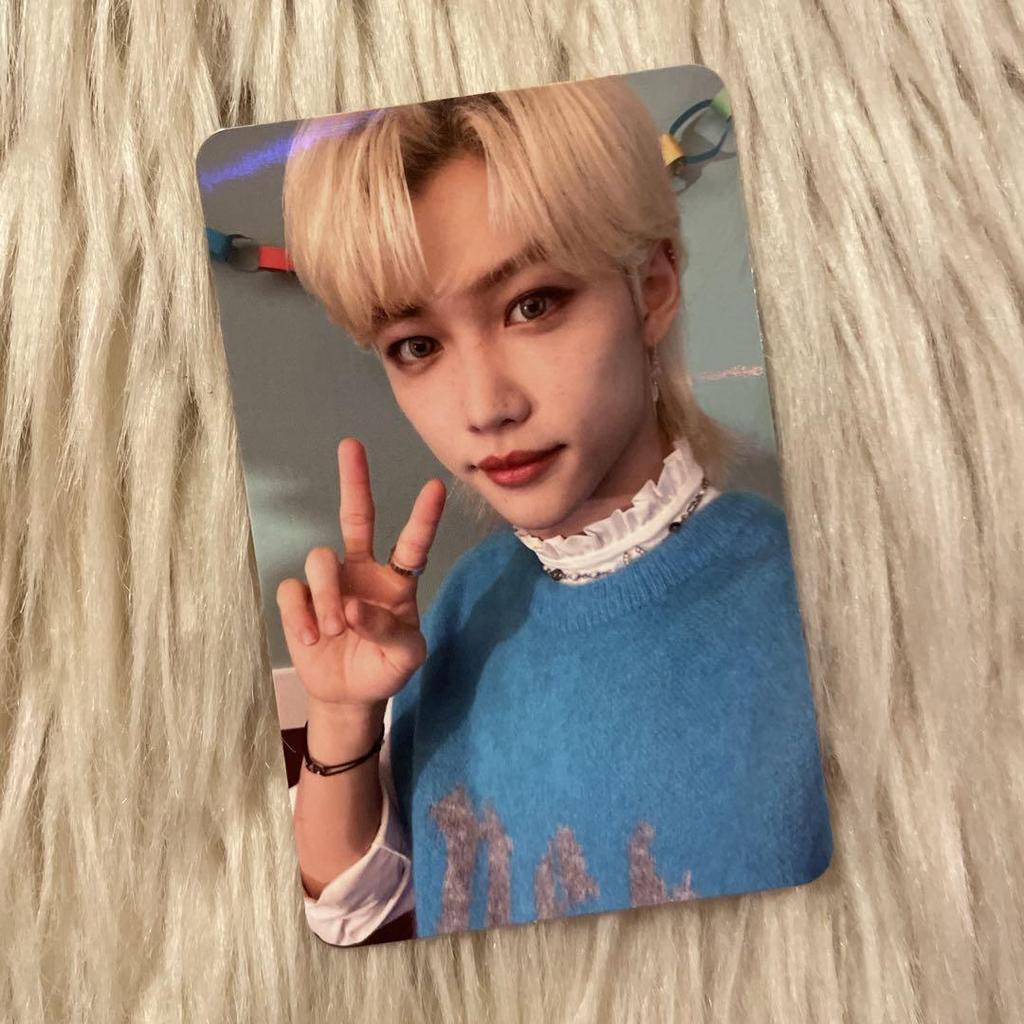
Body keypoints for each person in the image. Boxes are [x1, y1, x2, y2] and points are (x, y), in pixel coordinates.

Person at [275, 76, 833, 947]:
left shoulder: (814, 599)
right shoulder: (461, 605)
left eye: (532, 305)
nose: (485, 406)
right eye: (416, 345)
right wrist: (343, 712)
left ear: (651, 287)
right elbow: (353, 913)